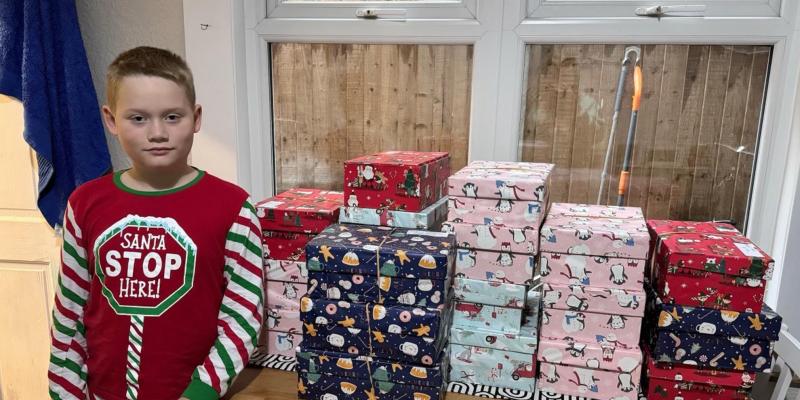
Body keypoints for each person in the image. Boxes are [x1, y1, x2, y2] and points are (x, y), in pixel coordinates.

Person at [47, 46, 264, 400]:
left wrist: (200, 392)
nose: (157, 132)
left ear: (196, 118)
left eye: (172, 117)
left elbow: (242, 316)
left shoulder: (233, 208)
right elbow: (69, 310)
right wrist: (66, 391)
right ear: (111, 120)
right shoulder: (84, 204)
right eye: (138, 118)